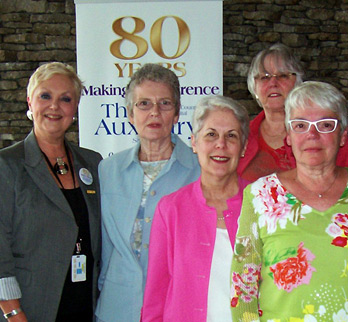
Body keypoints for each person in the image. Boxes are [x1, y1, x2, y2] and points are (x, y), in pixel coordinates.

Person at [230, 81, 348, 321]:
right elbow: (243, 288)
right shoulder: (260, 194)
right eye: (301, 125)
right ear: (289, 136)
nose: (312, 135)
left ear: (343, 135)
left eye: (325, 125)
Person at [95, 64, 201, 322]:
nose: (154, 112)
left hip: (175, 306)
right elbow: (106, 247)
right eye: (144, 104)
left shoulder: (200, 170)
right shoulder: (107, 170)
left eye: (164, 103)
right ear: (130, 114)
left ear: (176, 114)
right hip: (116, 308)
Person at [0, 62, 102, 321]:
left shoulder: (93, 163)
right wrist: (13, 312)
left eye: (65, 99)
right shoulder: (7, 165)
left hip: (85, 305)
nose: (54, 106)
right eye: (45, 96)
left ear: (75, 108)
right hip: (31, 309)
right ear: (30, 102)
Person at [141, 96, 250, 322]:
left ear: (243, 147)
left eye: (231, 136)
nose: (221, 144)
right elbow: (156, 292)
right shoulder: (171, 209)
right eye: (211, 135)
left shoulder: (262, 205)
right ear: (194, 142)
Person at [238, 43, 348, 182]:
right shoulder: (240, 136)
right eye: (264, 77)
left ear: (298, 84)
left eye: (283, 75)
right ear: (254, 87)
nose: (273, 83)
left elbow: (344, 184)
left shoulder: (326, 131)